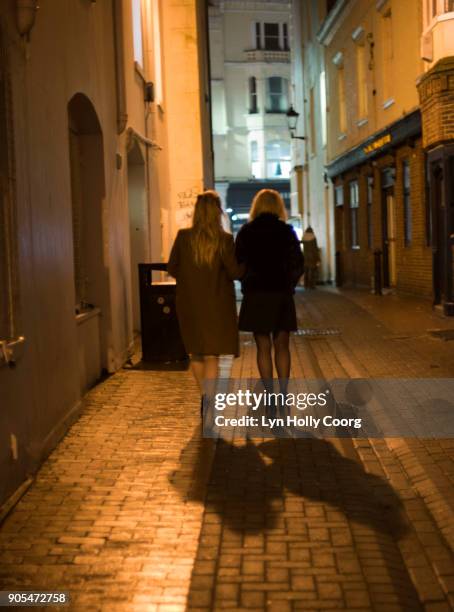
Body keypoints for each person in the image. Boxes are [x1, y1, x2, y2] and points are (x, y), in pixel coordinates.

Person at [167, 190, 244, 412]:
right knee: (212, 356)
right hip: (218, 305)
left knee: (196, 353)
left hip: (189, 304)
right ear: (217, 212)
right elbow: (235, 272)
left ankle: (205, 397)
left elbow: (172, 268)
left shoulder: (183, 237)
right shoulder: (225, 240)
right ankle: (209, 402)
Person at [235, 189, 304, 392]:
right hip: (281, 294)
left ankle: (269, 392)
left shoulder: (246, 232)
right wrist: (288, 284)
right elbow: (298, 264)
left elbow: (238, 263)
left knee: (263, 347)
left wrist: (247, 281)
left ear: (256, 206)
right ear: (278, 206)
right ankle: (283, 391)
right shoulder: (287, 232)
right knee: (282, 345)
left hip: (256, 295)